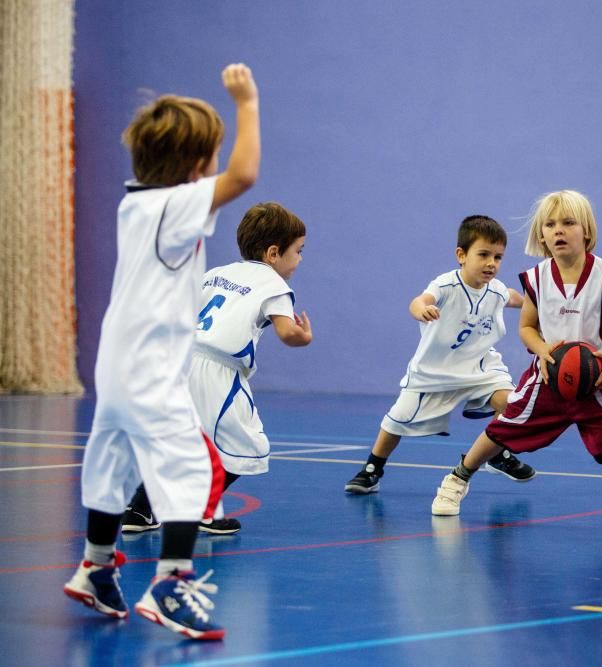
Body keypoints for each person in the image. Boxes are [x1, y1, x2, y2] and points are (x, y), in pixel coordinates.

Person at [62, 63, 260, 640]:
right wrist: (246, 101)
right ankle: (171, 586)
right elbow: (245, 174)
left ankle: (94, 567)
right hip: (150, 374)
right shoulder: (176, 209)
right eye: (212, 155)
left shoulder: (139, 204)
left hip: (118, 370)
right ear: (196, 166)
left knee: (113, 465)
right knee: (191, 470)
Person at [430, 190, 602, 530]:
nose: (558, 230)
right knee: (504, 426)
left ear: (587, 232)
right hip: (548, 377)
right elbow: (527, 327)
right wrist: (541, 350)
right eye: (550, 225)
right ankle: (458, 478)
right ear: (542, 236)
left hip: (599, 376)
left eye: (568, 223)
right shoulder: (536, 278)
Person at [122, 202, 313, 535]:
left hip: (179, 362)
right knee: (248, 444)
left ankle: (139, 510)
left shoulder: (216, 274)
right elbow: (287, 333)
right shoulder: (275, 286)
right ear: (273, 253)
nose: (300, 259)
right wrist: (304, 336)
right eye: (298, 251)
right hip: (218, 372)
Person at [344, 215, 535, 494]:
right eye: (483, 254)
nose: (491, 263)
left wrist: (542, 303)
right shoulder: (446, 285)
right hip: (434, 371)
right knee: (396, 420)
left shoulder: (496, 290)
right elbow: (419, 301)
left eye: (498, 257)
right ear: (461, 255)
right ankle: (373, 468)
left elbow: (517, 298)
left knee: (513, 403)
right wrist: (420, 309)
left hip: (480, 367)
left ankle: (494, 453)